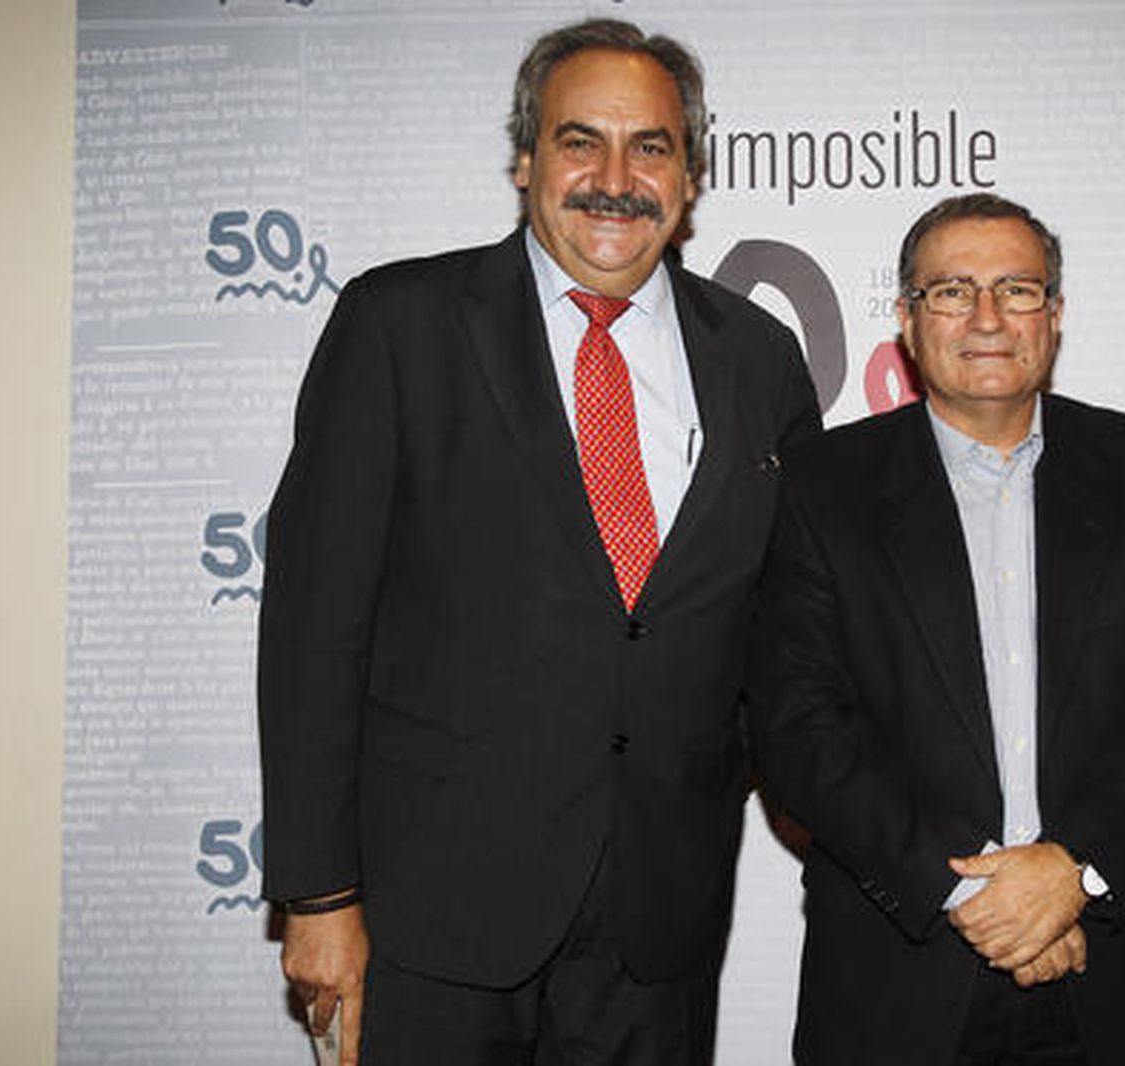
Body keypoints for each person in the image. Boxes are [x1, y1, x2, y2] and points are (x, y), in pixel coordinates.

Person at [257, 18, 821, 1065]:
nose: (614, 179)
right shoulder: (400, 326)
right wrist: (319, 894)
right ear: (525, 159)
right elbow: (313, 629)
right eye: (579, 141)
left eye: (650, 147)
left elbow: (791, 625)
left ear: (689, 176)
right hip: (433, 916)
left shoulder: (759, 358)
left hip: (660, 921)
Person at [747, 192, 1125, 1065]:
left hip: (1103, 972)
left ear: (1055, 313)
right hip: (895, 984)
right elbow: (797, 727)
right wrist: (981, 895)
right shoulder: (823, 483)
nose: (987, 317)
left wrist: (1072, 871)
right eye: (951, 291)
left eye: (1017, 289)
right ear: (907, 320)